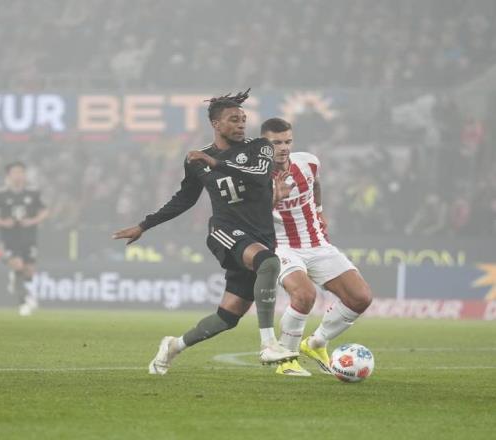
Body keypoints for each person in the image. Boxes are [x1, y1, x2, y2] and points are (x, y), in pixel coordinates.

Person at [113, 90, 297, 375]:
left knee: (228, 317)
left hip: (260, 236)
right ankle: (269, 343)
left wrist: (217, 164)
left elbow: (260, 175)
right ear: (215, 124)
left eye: (243, 119)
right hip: (225, 231)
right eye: (233, 119)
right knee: (268, 263)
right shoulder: (198, 160)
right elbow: (184, 199)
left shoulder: (260, 147)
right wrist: (144, 225)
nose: (241, 124)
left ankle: (173, 346)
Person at [261, 118, 373, 376]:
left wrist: (320, 210)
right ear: (263, 145)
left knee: (360, 297)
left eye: (287, 141)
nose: (283, 147)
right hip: (282, 247)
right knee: (304, 295)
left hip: (317, 243)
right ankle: (287, 360)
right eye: (276, 143)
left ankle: (316, 343)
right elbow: (252, 218)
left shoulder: (308, 163)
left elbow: (316, 183)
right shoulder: (256, 178)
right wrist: (274, 198)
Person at [0, 162, 48, 316]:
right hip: (9, 238)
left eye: (21, 172)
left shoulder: (33, 193)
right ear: (8, 175)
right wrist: (2, 222)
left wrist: (33, 221)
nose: (18, 175)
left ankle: (17, 281)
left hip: (29, 237)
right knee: (18, 264)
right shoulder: (0, 194)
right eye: (15, 172)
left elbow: (45, 210)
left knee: (29, 272)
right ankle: (23, 302)